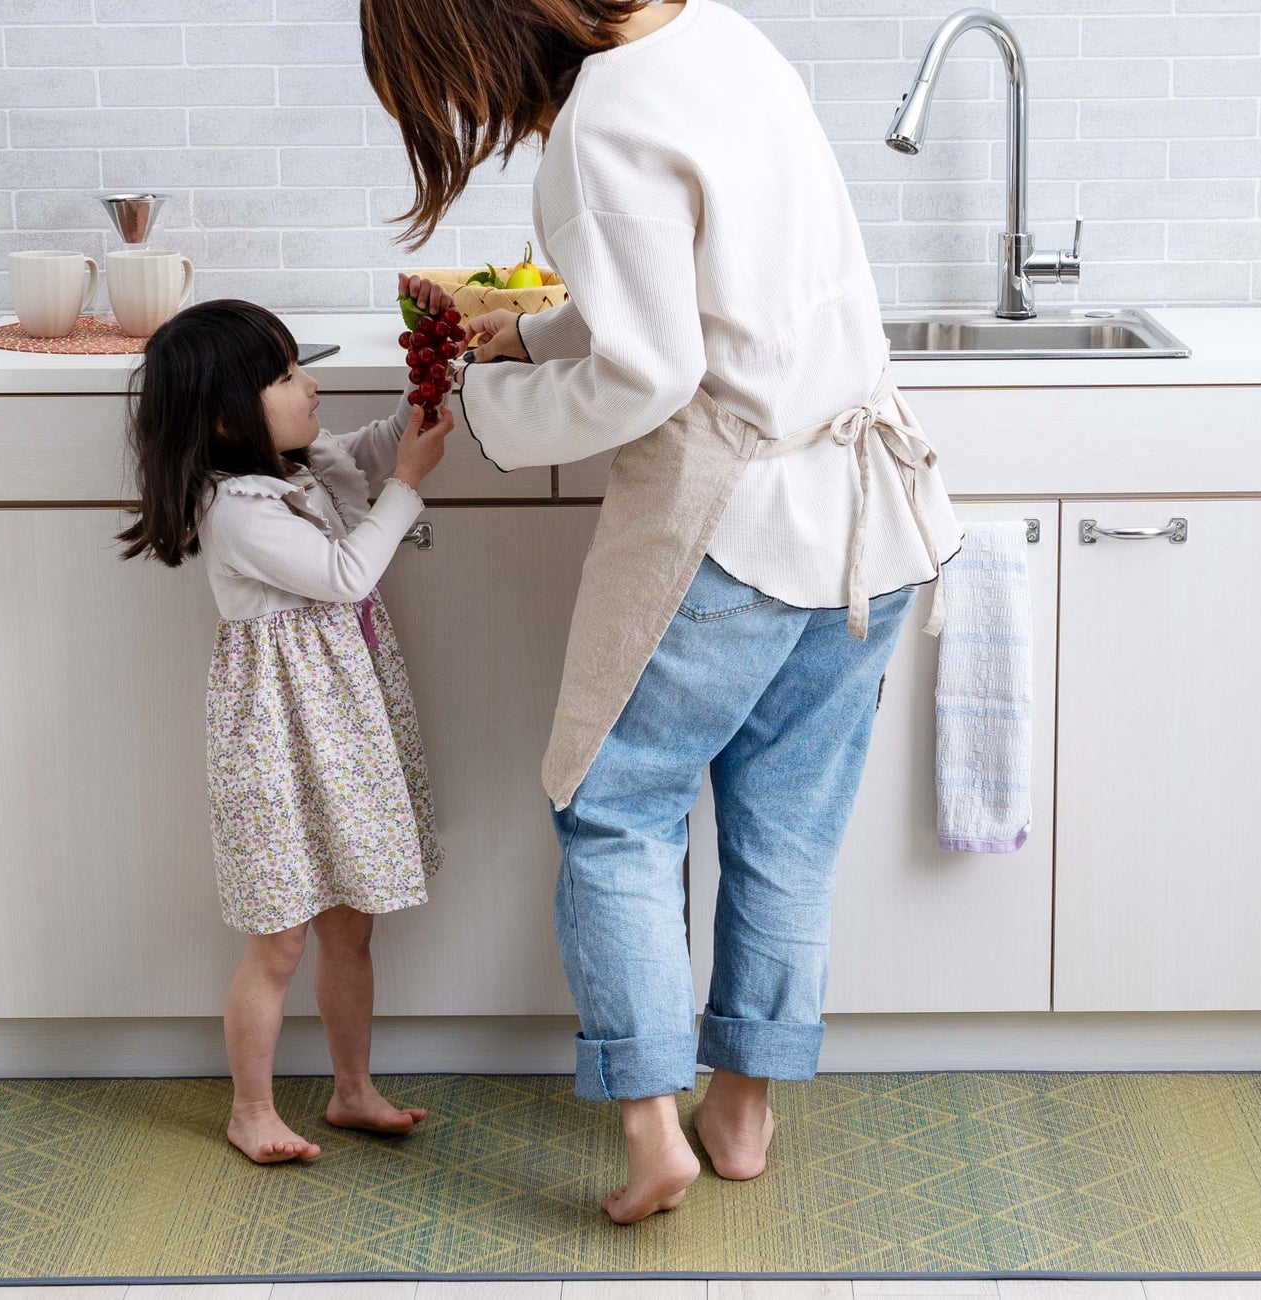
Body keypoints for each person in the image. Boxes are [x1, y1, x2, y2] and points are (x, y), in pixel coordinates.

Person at [366, 0, 962, 1222]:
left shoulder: (600, 127)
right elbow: (699, 279)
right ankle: (741, 1111)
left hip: (735, 529)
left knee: (614, 811)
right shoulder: (721, 38)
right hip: (872, 517)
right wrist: (535, 332)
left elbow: (651, 370)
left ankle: (652, 1132)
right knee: (787, 831)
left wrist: (482, 405)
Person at [118, 299, 452, 1164]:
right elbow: (345, 573)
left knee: (350, 923)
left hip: (339, 727)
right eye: (287, 377)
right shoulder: (239, 507)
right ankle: (251, 1109)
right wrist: (408, 484)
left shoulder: (301, 464)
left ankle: (353, 1090)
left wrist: (426, 397)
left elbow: (374, 446)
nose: (311, 386)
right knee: (279, 936)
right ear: (227, 418)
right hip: (278, 737)